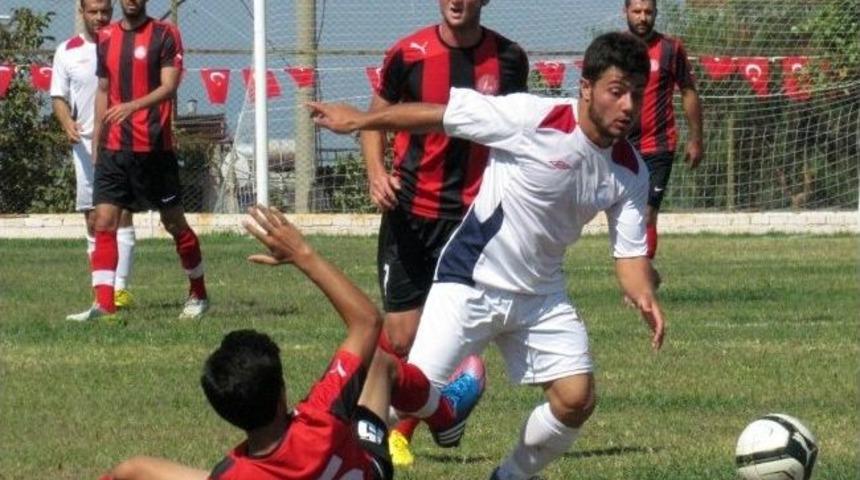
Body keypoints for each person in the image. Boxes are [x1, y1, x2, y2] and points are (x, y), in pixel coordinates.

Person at [309, 31, 666, 480]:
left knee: (577, 397)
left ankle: (510, 475)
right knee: (401, 396)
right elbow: (439, 117)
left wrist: (644, 294)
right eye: (617, 92)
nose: (629, 106)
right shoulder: (531, 117)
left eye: (637, 93)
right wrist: (362, 121)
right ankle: (342, 450)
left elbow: (630, 262)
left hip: (541, 294)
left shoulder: (629, 171)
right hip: (471, 280)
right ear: (586, 87)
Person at [98, 205, 487, 480]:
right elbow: (367, 322)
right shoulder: (320, 418)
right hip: (369, 468)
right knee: (382, 363)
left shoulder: (232, 474)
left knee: (131, 471)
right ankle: (445, 412)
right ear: (283, 393)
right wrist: (303, 254)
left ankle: (445, 414)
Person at [362, 0, 528, 465]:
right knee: (399, 335)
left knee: (438, 334)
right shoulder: (407, 53)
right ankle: (442, 408)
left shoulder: (510, 58)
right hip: (410, 212)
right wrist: (377, 173)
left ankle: (397, 430)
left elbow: (516, 132)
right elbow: (373, 121)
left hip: (471, 222)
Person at [66, 0, 209, 321]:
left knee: (174, 224)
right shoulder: (106, 37)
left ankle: (198, 293)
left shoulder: (165, 34)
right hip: (115, 150)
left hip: (155, 151)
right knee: (102, 220)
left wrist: (132, 106)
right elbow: (103, 89)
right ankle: (104, 305)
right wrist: (98, 136)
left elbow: (169, 86)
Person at [51, 0, 137, 312]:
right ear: (82, 12)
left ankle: (120, 289)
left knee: (121, 213)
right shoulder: (67, 50)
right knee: (93, 218)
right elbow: (58, 95)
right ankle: (100, 288)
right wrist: (66, 123)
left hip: (122, 142)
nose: (100, 17)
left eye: (105, 11)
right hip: (85, 146)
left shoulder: (123, 42)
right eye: (94, 11)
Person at [624, 0, 704, 261]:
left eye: (648, 12)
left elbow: (688, 91)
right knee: (626, 212)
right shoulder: (615, 48)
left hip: (659, 145)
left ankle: (642, 278)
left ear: (656, 13)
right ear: (625, 13)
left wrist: (696, 138)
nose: (643, 17)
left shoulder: (671, 48)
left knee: (648, 212)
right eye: (637, 11)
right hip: (620, 145)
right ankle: (630, 272)